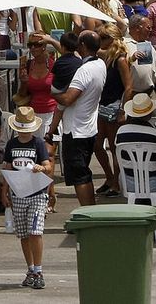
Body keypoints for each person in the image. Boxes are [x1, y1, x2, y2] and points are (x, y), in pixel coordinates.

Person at [0, 107, 53, 290]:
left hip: (37, 193)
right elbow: (8, 169)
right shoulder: (12, 145)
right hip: (18, 193)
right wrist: (4, 191)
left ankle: (38, 270)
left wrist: (41, 168)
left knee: (36, 231)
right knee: (24, 234)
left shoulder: (38, 144)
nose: (25, 131)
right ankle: (30, 269)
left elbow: (49, 166)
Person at [53, 31, 107, 208]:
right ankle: (90, 213)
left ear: (82, 46)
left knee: (79, 176)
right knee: (84, 173)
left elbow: (68, 99)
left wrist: (52, 92)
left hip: (77, 131)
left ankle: (87, 214)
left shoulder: (84, 70)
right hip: (88, 128)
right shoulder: (100, 64)